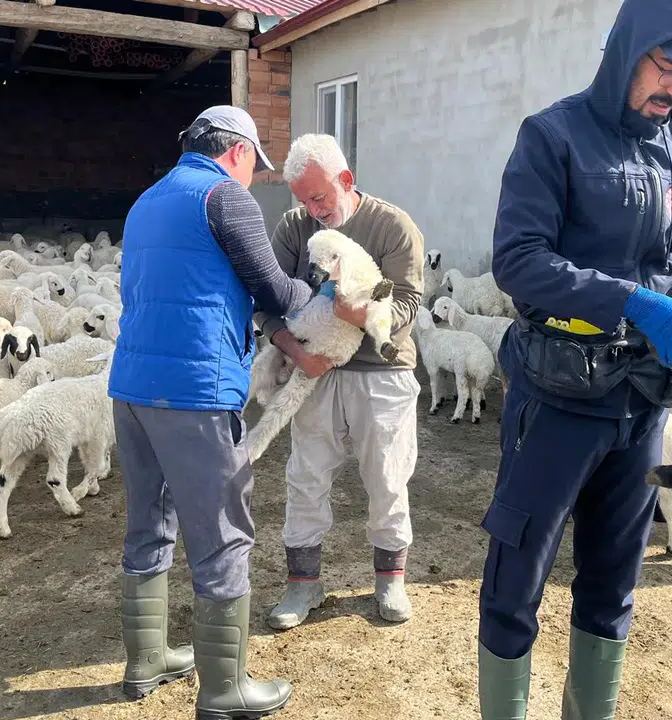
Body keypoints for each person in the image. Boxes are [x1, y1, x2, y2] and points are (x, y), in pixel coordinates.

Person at [476, 0, 672, 716]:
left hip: (644, 400)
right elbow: (518, 260)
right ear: (626, 49)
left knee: (614, 581)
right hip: (558, 393)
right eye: (666, 67)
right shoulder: (553, 136)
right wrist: (633, 301)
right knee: (516, 576)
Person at [107, 105, 310, 716]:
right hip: (196, 391)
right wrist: (321, 295)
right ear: (238, 151)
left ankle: (145, 661)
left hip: (133, 386)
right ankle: (225, 689)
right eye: (255, 165)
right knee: (222, 534)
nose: (252, 177)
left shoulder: (146, 201)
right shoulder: (225, 198)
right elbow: (274, 290)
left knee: (149, 519)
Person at [253, 133, 425, 630]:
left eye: (320, 197)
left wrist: (364, 312)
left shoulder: (392, 225)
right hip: (314, 368)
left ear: (345, 180)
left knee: (388, 475)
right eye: (304, 200)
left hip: (381, 371)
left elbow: (409, 301)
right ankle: (302, 585)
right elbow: (267, 301)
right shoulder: (293, 228)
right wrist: (293, 352)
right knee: (305, 475)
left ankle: (390, 578)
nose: (312, 209)